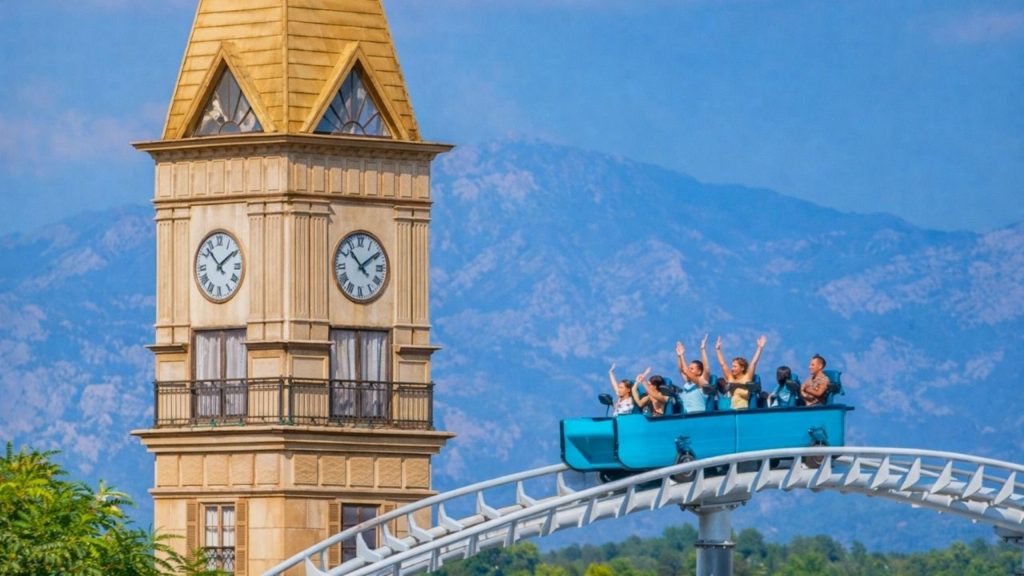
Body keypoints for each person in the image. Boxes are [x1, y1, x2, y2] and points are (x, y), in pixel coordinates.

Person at [714, 335, 767, 410]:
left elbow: (753, 363)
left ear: (742, 368)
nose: (732, 369)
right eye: (732, 366)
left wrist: (760, 348)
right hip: (732, 410)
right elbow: (723, 365)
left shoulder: (747, 377)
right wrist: (718, 350)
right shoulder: (730, 378)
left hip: (744, 410)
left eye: (735, 366)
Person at [676, 334, 712, 413]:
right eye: (689, 368)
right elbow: (681, 370)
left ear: (699, 371)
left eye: (692, 369)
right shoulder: (688, 381)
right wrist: (679, 356)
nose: (689, 370)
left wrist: (702, 349)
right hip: (686, 415)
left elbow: (706, 368)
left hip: (697, 414)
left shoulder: (702, 382)